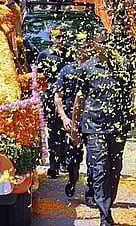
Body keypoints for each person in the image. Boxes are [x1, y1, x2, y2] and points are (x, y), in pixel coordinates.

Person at [71, 29, 136, 226]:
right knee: (100, 168)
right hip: (93, 127)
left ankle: (108, 202)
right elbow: (79, 98)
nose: (106, 47)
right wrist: (74, 128)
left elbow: (135, 92)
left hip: (118, 127)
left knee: (114, 169)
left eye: (109, 42)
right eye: (102, 43)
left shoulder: (125, 66)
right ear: (95, 45)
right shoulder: (86, 68)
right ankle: (105, 215)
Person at [54, 35, 94, 204]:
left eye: (86, 48)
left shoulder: (95, 70)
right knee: (73, 156)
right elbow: (58, 96)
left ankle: (91, 194)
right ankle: (72, 178)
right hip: (71, 119)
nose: (83, 51)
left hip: (92, 121)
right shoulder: (66, 70)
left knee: (93, 158)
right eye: (80, 48)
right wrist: (63, 117)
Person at [37, 25, 71, 178]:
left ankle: (64, 161)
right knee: (53, 131)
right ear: (51, 38)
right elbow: (38, 79)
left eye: (64, 37)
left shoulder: (71, 55)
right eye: (58, 37)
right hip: (50, 99)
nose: (61, 40)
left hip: (67, 99)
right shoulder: (44, 55)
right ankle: (54, 164)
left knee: (66, 130)